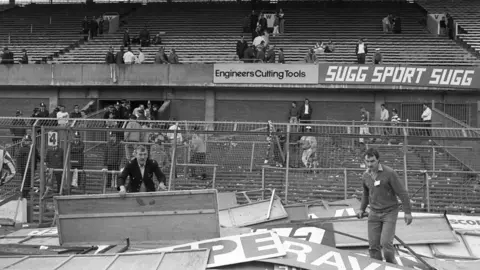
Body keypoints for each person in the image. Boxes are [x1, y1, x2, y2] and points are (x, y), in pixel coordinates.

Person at [357, 148, 413, 265]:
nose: (369, 164)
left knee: (386, 244)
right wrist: (361, 209)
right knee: (373, 246)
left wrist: (407, 212)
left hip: (389, 212)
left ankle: (392, 265)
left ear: (378, 160)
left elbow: (402, 193)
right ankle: (378, 266)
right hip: (374, 213)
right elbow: (366, 194)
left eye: (372, 161)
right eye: (367, 161)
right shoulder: (365, 175)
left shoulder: (389, 173)